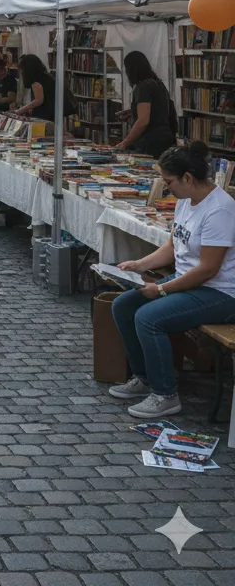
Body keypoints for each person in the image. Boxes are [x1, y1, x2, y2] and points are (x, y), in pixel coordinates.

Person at [109, 141, 235, 418]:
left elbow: (208, 269)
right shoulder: (186, 201)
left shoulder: (220, 210)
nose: (167, 188)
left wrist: (162, 289)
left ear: (187, 178)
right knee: (124, 306)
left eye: (169, 182)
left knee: (148, 318)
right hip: (192, 281)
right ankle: (145, 378)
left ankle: (165, 394)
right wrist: (138, 265)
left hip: (221, 292)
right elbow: (172, 246)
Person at [117, 50, 177, 158]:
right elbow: (157, 110)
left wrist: (125, 142)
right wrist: (132, 114)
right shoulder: (159, 84)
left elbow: (143, 121)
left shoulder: (144, 87)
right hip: (165, 138)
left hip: (150, 142)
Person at [14, 54, 77, 123]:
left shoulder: (37, 80)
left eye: (22, 69)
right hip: (64, 111)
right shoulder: (45, 77)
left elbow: (38, 100)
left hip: (56, 114)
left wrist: (20, 110)